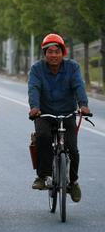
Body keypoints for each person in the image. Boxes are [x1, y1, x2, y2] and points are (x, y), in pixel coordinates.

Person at [28, 33, 90, 203]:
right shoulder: (37, 69)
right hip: (44, 114)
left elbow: (79, 85)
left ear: (63, 52)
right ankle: (43, 176)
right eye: (50, 52)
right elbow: (34, 88)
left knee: (73, 149)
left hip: (67, 113)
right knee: (43, 137)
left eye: (57, 51)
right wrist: (34, 107)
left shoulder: (73, 67)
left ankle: (73, 182)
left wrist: (83, 105)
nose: (53, 55)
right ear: (45, 53)